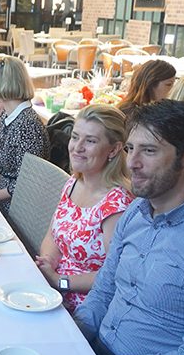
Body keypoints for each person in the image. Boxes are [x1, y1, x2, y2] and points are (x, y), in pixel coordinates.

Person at [73, 99, 184, 355]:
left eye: (149, 151)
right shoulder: (136, 212)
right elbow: (103, 291)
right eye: (129, 148)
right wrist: (72, 337)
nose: (132, 163)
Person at [36, 104, 134, 314]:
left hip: (85, 308)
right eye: (75, 137)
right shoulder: (73, 183)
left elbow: (113, 275)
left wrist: (60, 281)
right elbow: (53, 236)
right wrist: (48, 262)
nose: (77, 147)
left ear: (114, 149)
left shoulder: (117, 205)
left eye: (90, 141)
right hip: (53, 292)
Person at [0, 56, 50, 214]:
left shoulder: (28, 125)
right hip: (2, 198)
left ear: (2, 83)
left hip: (18, 209)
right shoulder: (7, 117)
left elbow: (26, 183)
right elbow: (0, 166)